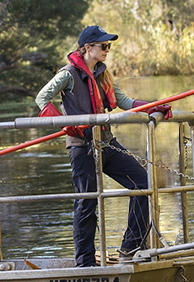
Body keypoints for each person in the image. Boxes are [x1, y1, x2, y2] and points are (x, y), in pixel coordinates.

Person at [35, 25, 172, 267]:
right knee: (86, 202)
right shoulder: (67, 74)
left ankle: (131, 247)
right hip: (81, 146)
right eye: (103, 46)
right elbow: (42, 98)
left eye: (108, 46)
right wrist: (68, 126)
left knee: (144, 184)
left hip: (107, 143)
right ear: (87, 48)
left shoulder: (103, 75)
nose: (107, 50)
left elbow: (126, 102)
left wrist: (155, 106)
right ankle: (85, 263)